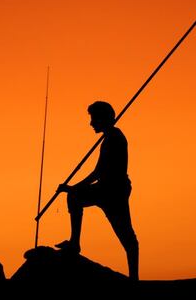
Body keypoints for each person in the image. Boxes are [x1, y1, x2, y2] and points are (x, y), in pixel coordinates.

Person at [55, 101, 139, 280]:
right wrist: (73, 189)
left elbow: (98, 172)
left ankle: (134, 278)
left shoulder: (114, 137)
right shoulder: (110, 137)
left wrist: (72, 188)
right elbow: (98, 173)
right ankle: (74, 243)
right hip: (105, 189)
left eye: (93, 119)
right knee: (75, 197)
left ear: (103, 118)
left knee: (127, 236)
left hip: (113, 191)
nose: (91, 123)